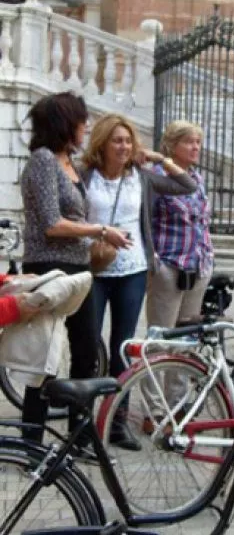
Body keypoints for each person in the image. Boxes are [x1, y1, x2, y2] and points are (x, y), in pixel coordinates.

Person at [80, 114, 197, 450]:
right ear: (102, 143)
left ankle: (117, 423)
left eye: (128, 141)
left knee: (123, 347)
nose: (124, 146)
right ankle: (83, 425)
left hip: (132, 270)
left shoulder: (141, 177)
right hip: (95, 268)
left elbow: (186, 186)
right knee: (88, 346)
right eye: (117, 140)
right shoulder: (87, 176)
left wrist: (161, 159)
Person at [20, 92, 130, 445]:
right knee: (45, 357)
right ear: (66, 123)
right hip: (49, 268)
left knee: (86, 352)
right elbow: (52, 224)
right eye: (82, 120)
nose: (86, 127)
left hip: (78, 269)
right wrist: (100, 231)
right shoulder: (42, 161)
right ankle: (31, 439)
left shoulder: (69, 161)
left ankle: (79, 438)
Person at [144, 120, 214, 433]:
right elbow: (146, 217)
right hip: (169, 265)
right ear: (171, 145)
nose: (196, 148)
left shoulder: (196, 178)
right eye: (189, 142)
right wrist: (154, 260)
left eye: (198, 142)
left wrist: (208, 259)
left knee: (185, 342)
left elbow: (202, 222)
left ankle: (177, 407)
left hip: (197, 266)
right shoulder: (156, 178)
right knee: (160, 340)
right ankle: (154, 411)